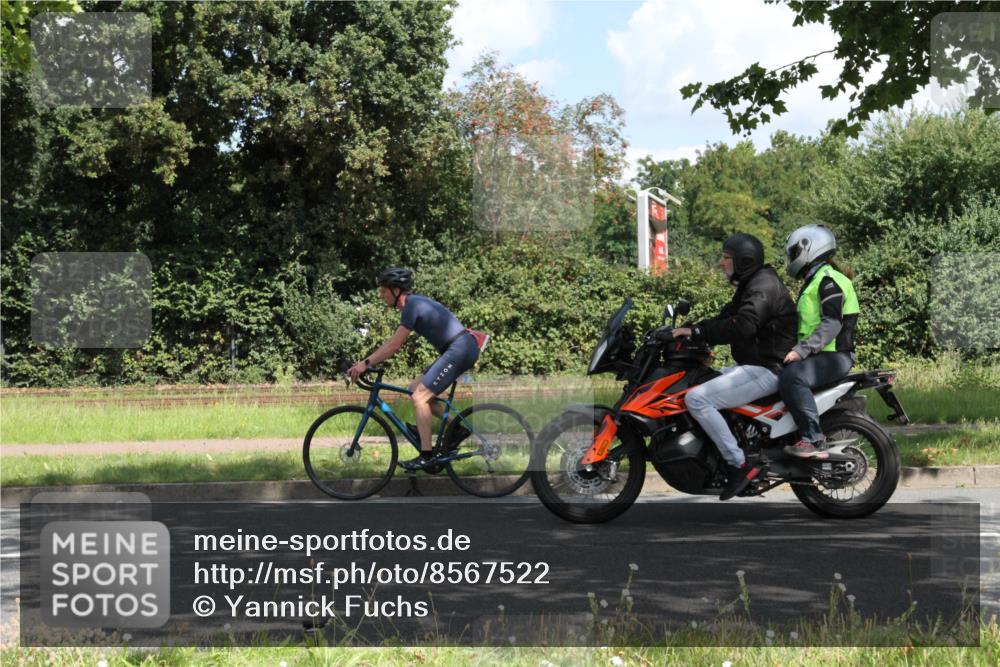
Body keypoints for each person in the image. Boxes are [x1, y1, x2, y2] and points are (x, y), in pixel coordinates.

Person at [672, 233, 798, 500]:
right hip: (754, 365)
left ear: (744, 261)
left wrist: (696, 332)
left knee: (697, 399)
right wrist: (694, 330)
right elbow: (726, 317)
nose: (721, 263)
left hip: (766, 369)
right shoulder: (752, 284)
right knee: (701, 382)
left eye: (726, 258)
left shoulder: (763, 286)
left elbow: (743, 325)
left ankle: (739, 464)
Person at [347, 268, 480, 471]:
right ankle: (456, 429)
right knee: (415, 387)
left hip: (459, 350)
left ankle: (426, 456)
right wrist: (368, 361)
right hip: (456, 349)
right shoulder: (413, 304)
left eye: (383, 291)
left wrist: (365, 364)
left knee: (420, 397)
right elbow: (393, 343)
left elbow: (394, 345)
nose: (380, 296)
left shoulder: (412, 305)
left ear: (396, 290)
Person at [779, 224, 859, 459]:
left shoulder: (828, 280)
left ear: (808, 249)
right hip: (824, 354)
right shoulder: (816, 280)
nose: (792, 258)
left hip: (834, 356)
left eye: (794, 252)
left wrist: (801, 350)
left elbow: (832, 323)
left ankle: (812, 438)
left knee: (793, 378)